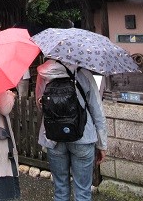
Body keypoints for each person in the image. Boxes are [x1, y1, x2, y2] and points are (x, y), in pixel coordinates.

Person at [35, 59, 108, 201]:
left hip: (53, 137)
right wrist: (102, 144)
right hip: (83, 136)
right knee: (83, 191)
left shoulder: (43, 72)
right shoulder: (84, 73)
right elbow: (97, 110)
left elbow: (41, 106)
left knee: (60, 188)